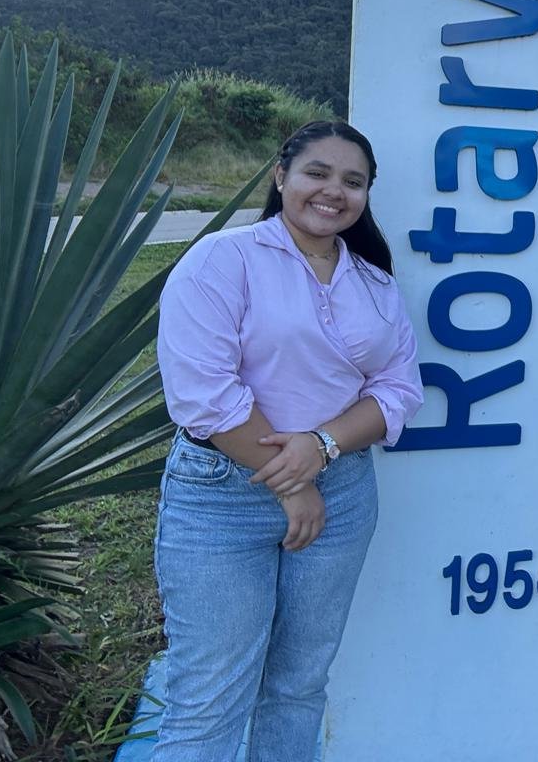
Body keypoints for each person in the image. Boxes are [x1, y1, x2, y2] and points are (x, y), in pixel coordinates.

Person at [151, 120, 425, 760]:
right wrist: (293, 484)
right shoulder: (223, 259)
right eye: (317, 173)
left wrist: (322, 446)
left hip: (343, 493)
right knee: (208, 700)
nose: (334, 192)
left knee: (299, 685)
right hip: (223, 496)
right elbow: (203, 392)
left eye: (353, 182)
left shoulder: (374, 283)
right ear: (281, 177)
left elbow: (398, 389)